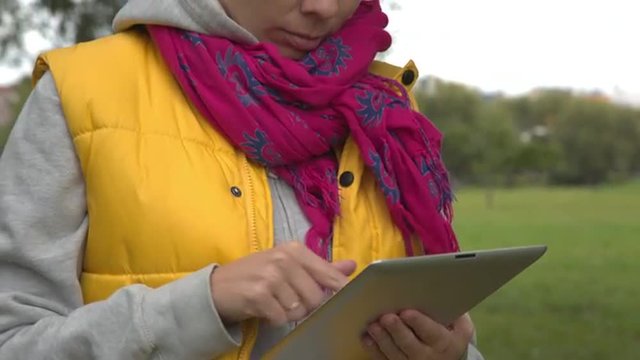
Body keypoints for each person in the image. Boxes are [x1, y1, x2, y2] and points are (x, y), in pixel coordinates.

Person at [0, 0, 485, 359]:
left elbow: (440, 314)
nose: (323, 8)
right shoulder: (82, 94)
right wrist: (202, 304)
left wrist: (455, 353)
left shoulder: (389, 115)